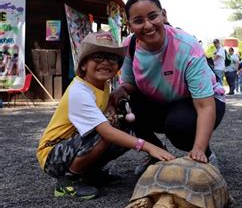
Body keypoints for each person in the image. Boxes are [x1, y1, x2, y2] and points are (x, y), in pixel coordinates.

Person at [36, 32, 175, 199]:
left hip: (73, 143)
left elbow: (102, 104)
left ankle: (89, 173)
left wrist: (110, 106)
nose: (106, 62)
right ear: (83, 64)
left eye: (112, 58)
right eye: (98, 57)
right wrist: (148, 146)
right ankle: (68, 181)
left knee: (123, 126)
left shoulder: (103, 84)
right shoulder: (79, 91)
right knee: (104, 134)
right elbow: (106, 132)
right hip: (52, 154)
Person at [110, 0, 226, 175]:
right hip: (163, 102)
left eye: (153, 16)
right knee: (123, 107)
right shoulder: (129, 46)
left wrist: (198, 149)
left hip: (204, 102)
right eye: (138, 20)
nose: (148, 25)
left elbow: (205, 105)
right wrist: (118, 92)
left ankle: (206, 156)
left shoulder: (187, 47)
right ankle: (157, 153)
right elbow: (130, 85)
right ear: (130, 25)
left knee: (178, 125)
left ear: (164, 15)